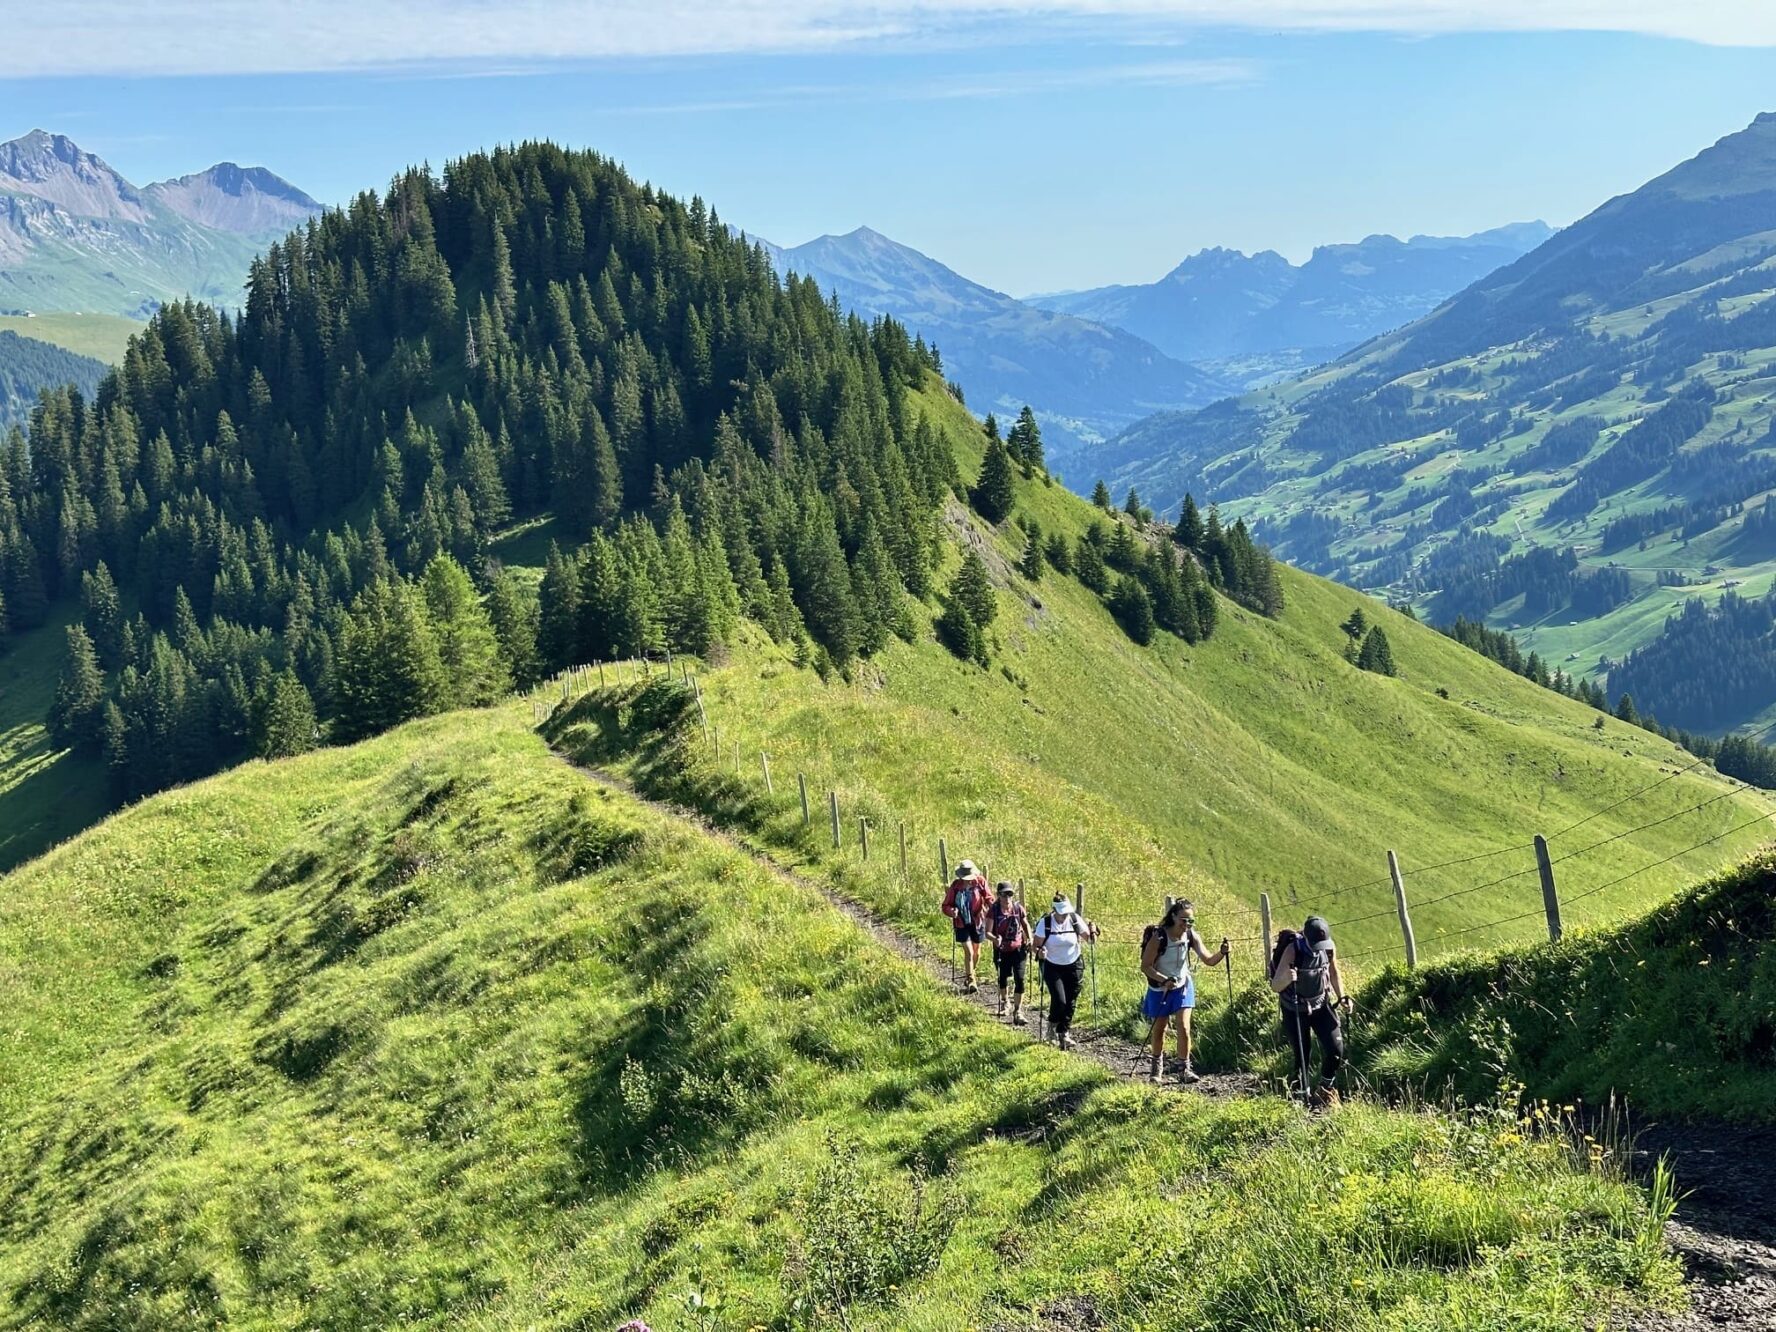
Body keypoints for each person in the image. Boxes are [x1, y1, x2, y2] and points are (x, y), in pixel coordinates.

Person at [1139, 898, 1228, 1085]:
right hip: (1160, 988)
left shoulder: (1191, 936)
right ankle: (1156, 1070)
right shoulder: (1159, 937)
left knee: (1184, 1027)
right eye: (1183, 920)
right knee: (1159, 1030)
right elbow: (1145, 966)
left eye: (1190, 921)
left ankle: (1184, 1069)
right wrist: (1164, 980)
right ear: (1173, 916)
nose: (1187, 924)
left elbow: (1209, 960)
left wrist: (1222, 952)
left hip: (1182, 986)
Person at [1269, 915, 1350, 1109]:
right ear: (1305, 936)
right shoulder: (1292, 949)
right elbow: (1275, 985)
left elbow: (1333, 972)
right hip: (1294, 1008)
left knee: (1336, 1050)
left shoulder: (1328, 947)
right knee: (1302, 1054)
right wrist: (1287, 978)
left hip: (1321, 1004)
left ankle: (1325, 1090)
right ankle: (1299, 1097)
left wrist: (1343, 997)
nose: (1319, 948)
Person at [1034, 891, 1098, 1050]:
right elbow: (1035, 946)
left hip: (1074, 964)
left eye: (1066, 913)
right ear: (1054, 910)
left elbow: (1089, 940)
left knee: (1071, 1001)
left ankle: (1064, 1032)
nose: (1064, 916)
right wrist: (1039, 952)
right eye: (1061, 913)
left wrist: (1094, 931)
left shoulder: (1075, 920)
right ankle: (1052, 1026)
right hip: (1052, 965)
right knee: (1060, 1000)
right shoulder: (1046, 923)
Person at [984, 882, 1030, 1024]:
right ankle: (1005, 1002)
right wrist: (995, 939)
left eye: (1010, 894)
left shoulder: (1017, 908)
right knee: (1003, 978)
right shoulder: (994, 910)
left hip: (1018, 949)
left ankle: (1018, 1010)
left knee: (1020, 979)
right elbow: (987, 932)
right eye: (1004, 894)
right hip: (1002, 950)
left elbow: (1025, 924)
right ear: (999, 895)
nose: (1007, 897)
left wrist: (1030, 939)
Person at [941, 859, 990, 993]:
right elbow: (946, 905)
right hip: (961, 922)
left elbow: (989, 898)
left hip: (978, 921)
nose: (968, 880)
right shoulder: (956, 886)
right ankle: (971, 979)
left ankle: (971, 974)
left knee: (977, 952)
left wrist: (992, 911)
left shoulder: (980, 882)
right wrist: (952, 912)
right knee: (968, 951)